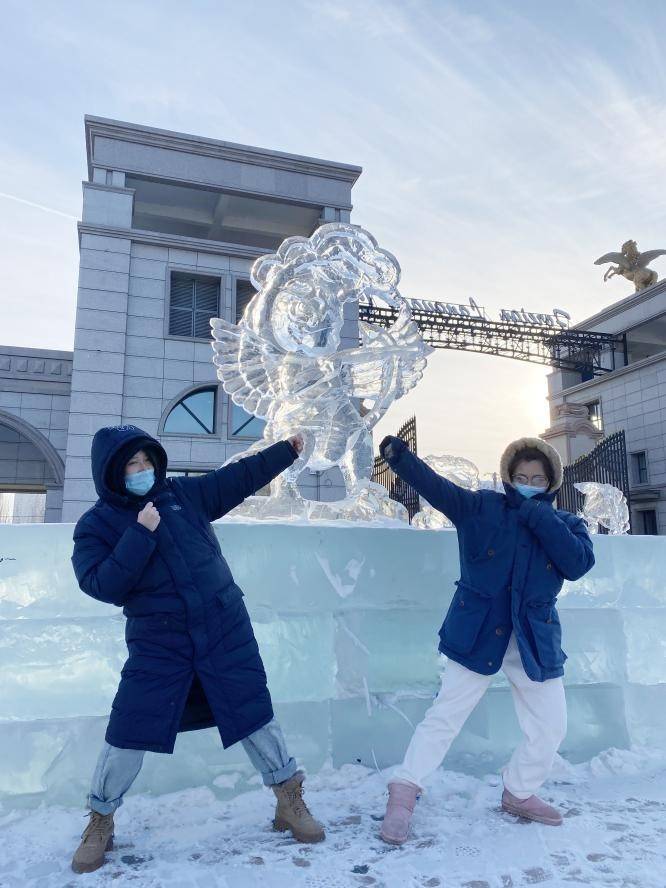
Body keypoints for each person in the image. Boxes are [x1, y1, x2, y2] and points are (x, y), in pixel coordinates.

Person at [70, 425, 324, 874]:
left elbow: (237, 478)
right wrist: (139, 533)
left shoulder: (183, 495)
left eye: (147, 461)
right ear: (112, 471)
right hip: (158, 642)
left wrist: (286, 450)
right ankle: (101, 819)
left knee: (254, 715)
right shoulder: (97, 524)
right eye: (132, 464)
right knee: (129, 730)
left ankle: (289, 798)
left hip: (223, 626)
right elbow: (102, 584)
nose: (143, 470)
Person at [378, 434, 595, 844]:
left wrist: (539, 515)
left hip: (533, 638)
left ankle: (519, 790)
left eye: (537, 477)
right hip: (478, 630)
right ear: (508, 477)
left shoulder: (566, 523)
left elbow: (578, 563)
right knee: (446, 715)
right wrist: (400, 459)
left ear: (551, 482)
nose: (528, 482)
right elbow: (437, 488)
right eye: (520, 476)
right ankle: (404, 791)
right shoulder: (482, 508)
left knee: (551, 724)